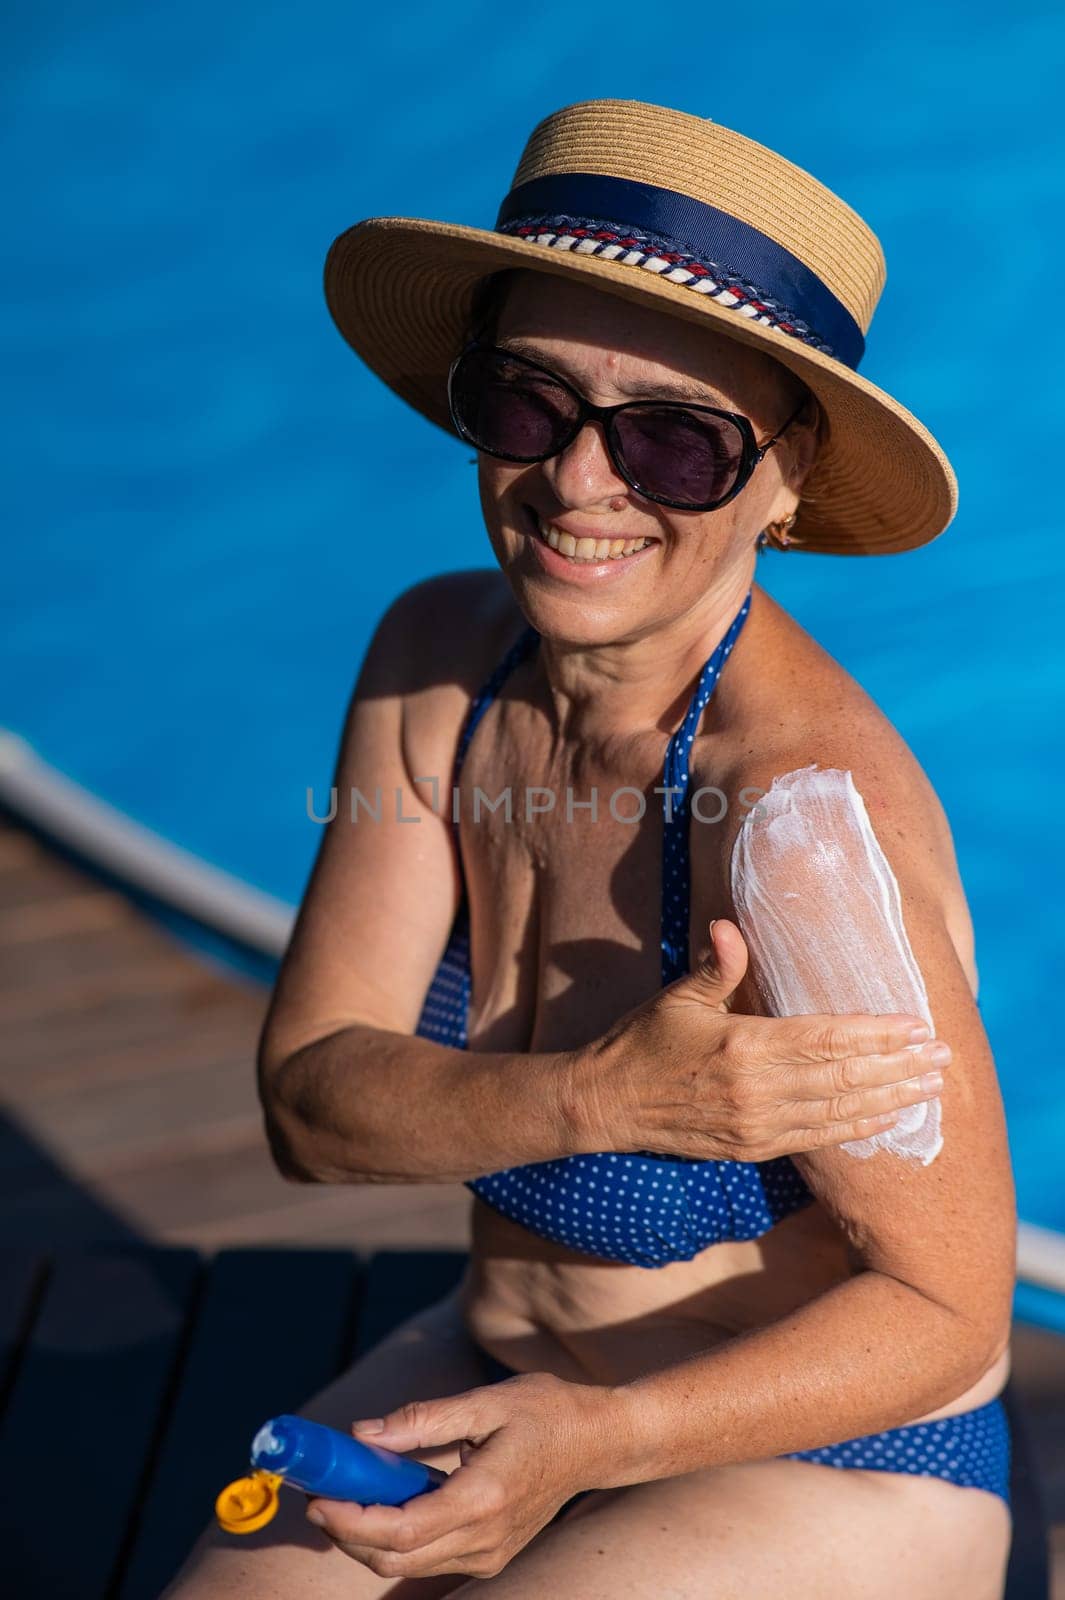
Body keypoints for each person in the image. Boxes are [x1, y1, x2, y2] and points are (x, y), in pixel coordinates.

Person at [165, 98, 1016, 1598]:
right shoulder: (437, 667)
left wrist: (595, 1438)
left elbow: (949, 1314)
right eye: (524, 404)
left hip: (814, 1459)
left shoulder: (797, 833)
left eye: (674, 443)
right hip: (501, 1361)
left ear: (787, 473)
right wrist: (602, 1098)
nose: (574, 482)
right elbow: (311, 1107)